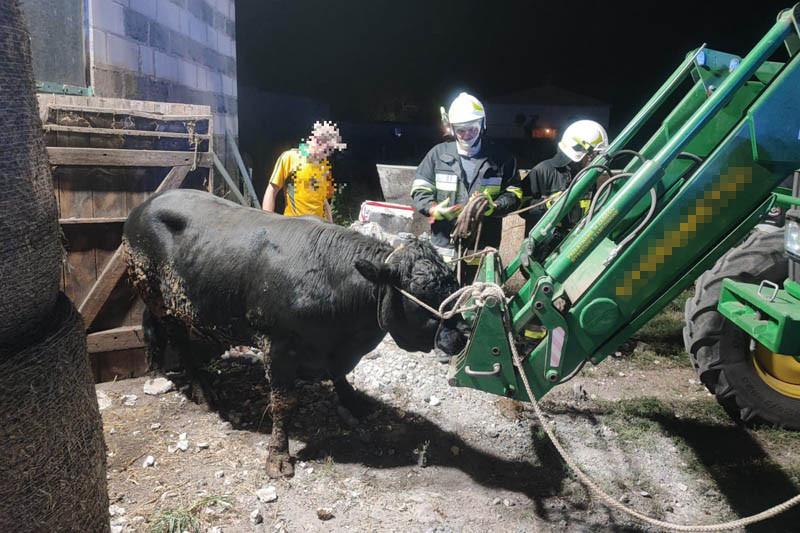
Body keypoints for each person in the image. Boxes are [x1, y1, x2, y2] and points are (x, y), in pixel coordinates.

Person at [411, 92, 522, 267]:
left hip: (483, 246)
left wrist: (495, 207)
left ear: (482, 124)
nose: (467, 134)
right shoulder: (437, 155)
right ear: (453, 128)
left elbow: (514, 193)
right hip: (443, 247)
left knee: (479, 292)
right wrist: (433, 208)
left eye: (472, 129)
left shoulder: (502, 158)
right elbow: (420, 189)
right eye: (461, 130)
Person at [522, 119, 609, 237]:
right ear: (578, 150)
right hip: (543, 248)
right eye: (592, 155)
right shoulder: (543, 171)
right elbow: (522, 206)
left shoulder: (596, 177)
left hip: (579, 244)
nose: (595, 160)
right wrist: (547, 205)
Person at [263, 121, 347, 222]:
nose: (326, 153)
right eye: (326, 148)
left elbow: (324, 200)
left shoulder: (324, 165)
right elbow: (272, 190)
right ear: (315, 139)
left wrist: (331, 225)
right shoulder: (290, 157)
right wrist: (267, 222)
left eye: (330, 150)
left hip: (319, 228)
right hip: (295, 225)